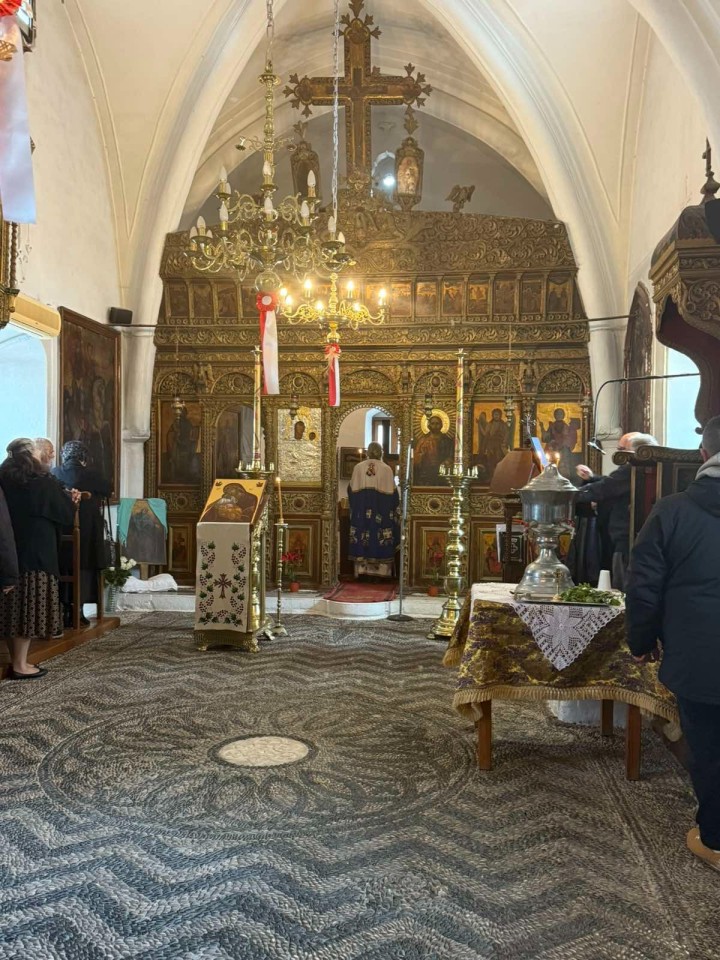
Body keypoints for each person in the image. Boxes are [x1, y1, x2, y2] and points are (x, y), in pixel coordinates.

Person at [625, 415, 720, 872]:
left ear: (703, 455)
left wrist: (641, 641)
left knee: (709, 748)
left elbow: (643, 587)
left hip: (699, 655)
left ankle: (716, 840)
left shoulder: (671, 510)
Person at [0, 438, 77, 679]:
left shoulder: (4, 479)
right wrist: (73, 501)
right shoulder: (42, 482)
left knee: (12, 609)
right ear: (32, 457)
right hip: (37, 551)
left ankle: (16, 659)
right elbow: (64, 513)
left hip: (10, 549)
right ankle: (20, 664)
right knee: (28, 610)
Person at [574, 431, 658, 589]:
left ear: (635, 453)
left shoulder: (633, 468)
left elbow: (606, 488)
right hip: (648, 539)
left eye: (623, 450)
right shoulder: (657, 468)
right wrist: (592, 478)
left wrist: (568, 494)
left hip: (626, 541)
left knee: (622, 590)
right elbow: (613, 484)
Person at [52, 440, 111, 627]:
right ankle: (79, 610)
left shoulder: (55, 473)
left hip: (62, 532)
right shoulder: (92, 475)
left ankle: (64, 609)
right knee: (85, 568)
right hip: (88, 534)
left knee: (64, 567)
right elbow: (108, 489)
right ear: (83, 458)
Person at [347, 442, 400, 579]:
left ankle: (362, 572)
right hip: (381, 514)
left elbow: (351, 491)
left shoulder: (358, 468)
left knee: (363, 535)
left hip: (362, 513)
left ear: (367, 452)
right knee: (380, 535)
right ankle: (380, 573)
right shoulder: (387, 469)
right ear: (381, 452)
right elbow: (394, 496)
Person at [413, 415, 454, 486]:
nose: (435, 426)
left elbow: (451, 456)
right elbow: (416, 458)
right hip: (426, 473)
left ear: (441, 425)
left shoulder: (447, 441)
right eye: (433, 423)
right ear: (429, 425)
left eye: (437, 423)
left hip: (442, 472)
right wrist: (421, 455)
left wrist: (445, 463)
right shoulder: (423, 441)